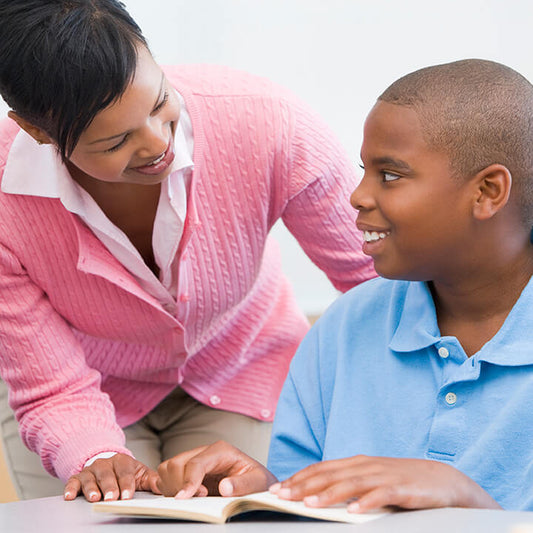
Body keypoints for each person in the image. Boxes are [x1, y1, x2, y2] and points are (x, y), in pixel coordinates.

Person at [0, 0, 374, 501]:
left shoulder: (266, 121)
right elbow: (51, 385)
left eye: (159, 102)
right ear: (36, 130)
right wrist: (93, 457)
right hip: (78, 398)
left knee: (241, 512)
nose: (159, 143)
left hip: (243, 369)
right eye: (115, 142)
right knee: (100, 513)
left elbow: (378, 276)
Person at [156, 58, 533, 512]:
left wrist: (466, 502)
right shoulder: (345, 328)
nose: (358, 195)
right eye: (364, 170)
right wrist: (269, 494)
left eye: (390, 175)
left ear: (487, 192)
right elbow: (316, 506)